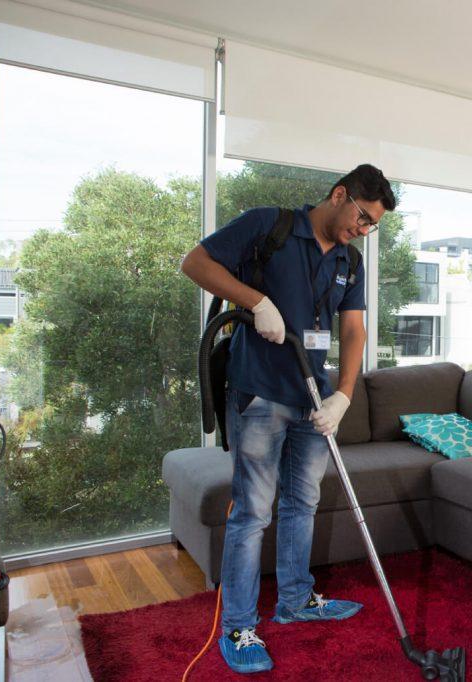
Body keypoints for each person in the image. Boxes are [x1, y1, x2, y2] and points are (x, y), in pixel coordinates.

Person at [180, 164, 395, 674]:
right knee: (253, 512)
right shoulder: (268, 226)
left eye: (372, 225)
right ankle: (237, 623)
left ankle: (296, 600)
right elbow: (195, 262)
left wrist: (343, 394)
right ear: (339, 194)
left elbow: (353, 333)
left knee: (304, 502)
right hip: (260, 393)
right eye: (361, 217)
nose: (362, 230)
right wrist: (255, 301)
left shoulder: (350, 260)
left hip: (313, 399)